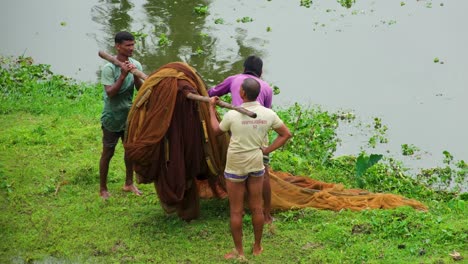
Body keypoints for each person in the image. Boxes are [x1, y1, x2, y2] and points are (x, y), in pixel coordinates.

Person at [208, 78, 291, 259]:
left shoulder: (232, 115)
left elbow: (215, 131)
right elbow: (286, 134)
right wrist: (267, 149)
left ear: (242, 93)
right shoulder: (268, 114)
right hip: (256, 162)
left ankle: (239, 251)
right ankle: (257, 247)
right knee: (257, 208)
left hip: (236, 164)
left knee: (236, 210)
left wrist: (211, 109)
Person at [208, 55, 276, 223]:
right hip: (259, 134)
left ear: (244, 68)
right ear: (260, 72)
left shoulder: (234, 79)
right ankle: (266, 213)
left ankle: (238, 208)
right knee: (263, 172)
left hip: (238, 130)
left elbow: (211, 92)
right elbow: (264, 110)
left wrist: (212, 102)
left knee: (236, 170)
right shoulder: (266, 87)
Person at [99, 31, 144, 199]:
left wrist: (135, 75)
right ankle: (103, 188)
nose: (132, 48)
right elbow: (110, 93)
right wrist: (123, 74)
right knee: (108, 152)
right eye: (128, 45)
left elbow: (140, 89)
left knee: (129, 151)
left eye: (133, 45)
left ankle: (128, 183)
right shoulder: (109, 68)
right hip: (112, 117)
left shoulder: (136, 64)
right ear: (118, 46)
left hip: (128, 116)